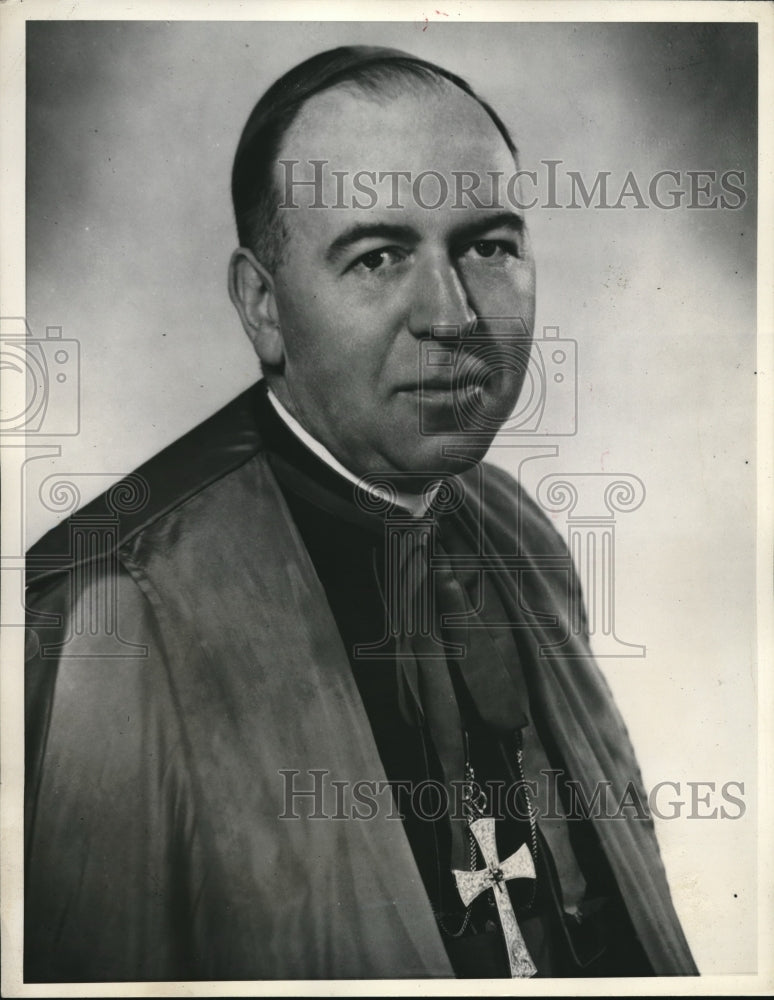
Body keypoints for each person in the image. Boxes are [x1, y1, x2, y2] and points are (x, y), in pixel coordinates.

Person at [24, 46, 697, 981]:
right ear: (263, 306)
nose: (455, 315)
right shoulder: (117, 603)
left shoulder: (519, 531)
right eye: (379, 256)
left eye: (488, 247)